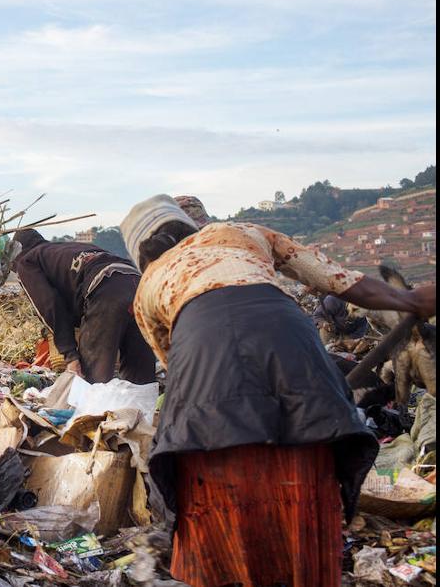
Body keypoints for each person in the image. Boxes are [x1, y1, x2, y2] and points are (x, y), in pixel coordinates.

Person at [120, 194, 435, 587]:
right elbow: (336, 279)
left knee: (216, 485)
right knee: (303, 459)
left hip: (209, 375)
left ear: (140, 253)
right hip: (293, 345)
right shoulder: (239, 231)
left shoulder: (148, 285)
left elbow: (174, 361)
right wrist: (409, 299)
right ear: (186, 225)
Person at [11, 229, 154, 384]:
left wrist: (70, 355)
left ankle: (95, 406)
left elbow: (50, 305)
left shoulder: (26, 260)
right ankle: (141, 406)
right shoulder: (65, 248)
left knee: (91, 379)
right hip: (140, 286)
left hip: (106, 289)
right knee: (140, 375)